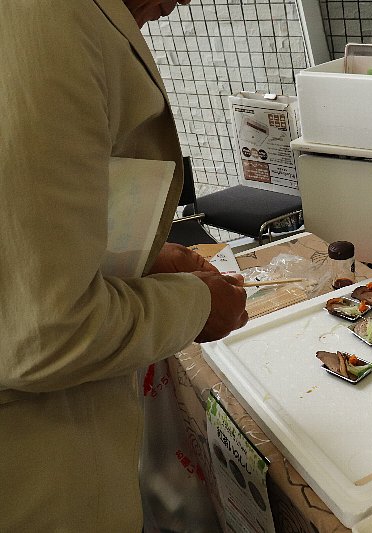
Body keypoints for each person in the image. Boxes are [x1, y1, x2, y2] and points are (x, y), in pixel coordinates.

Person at [0, 0, 249, 530]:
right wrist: (199, 302)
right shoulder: (42, 20)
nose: (180, 3)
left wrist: (143, 259)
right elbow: (49, 334)